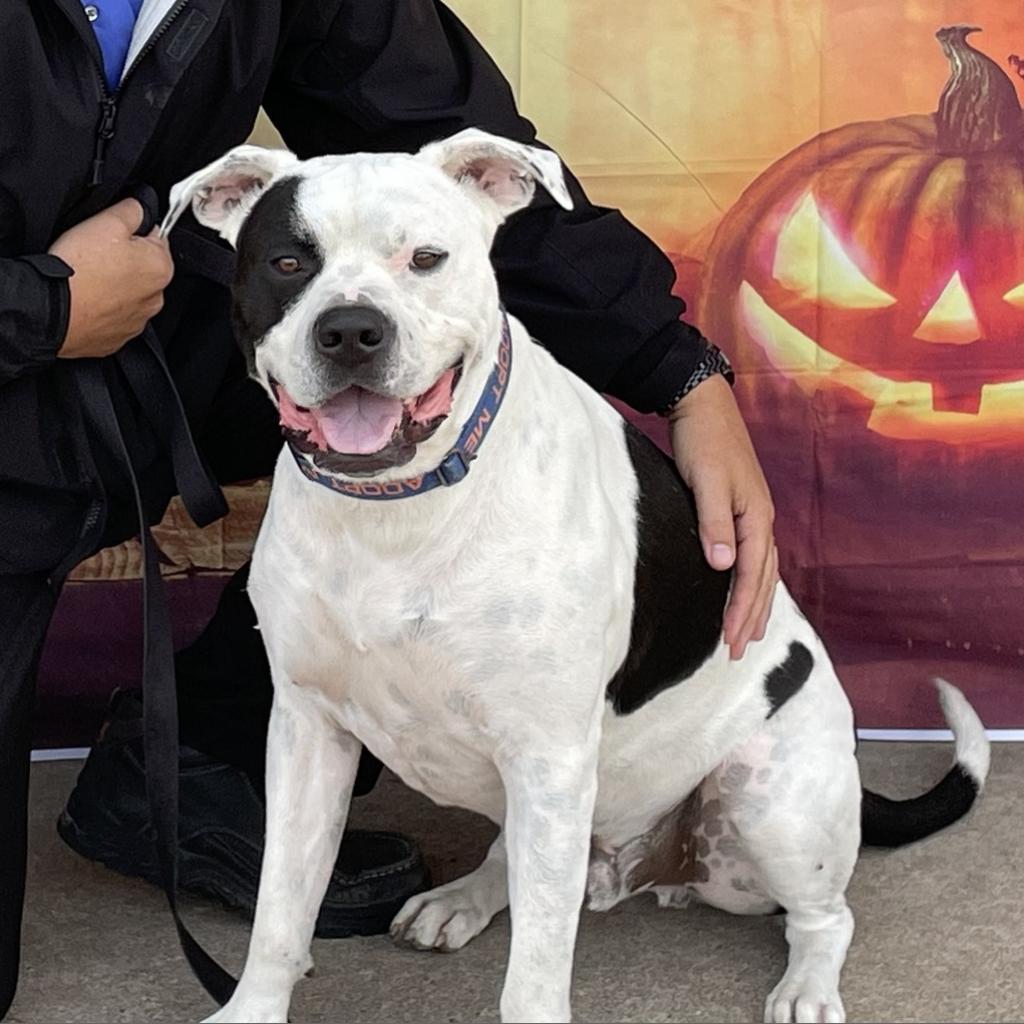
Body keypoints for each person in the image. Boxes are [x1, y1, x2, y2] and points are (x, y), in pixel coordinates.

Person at [0, 1, 776, 1016]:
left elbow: (443, 150)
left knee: (375, 364)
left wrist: (685, 376)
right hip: (40, 324)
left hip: (142, 334)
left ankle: (197, 758)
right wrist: (42, 307)